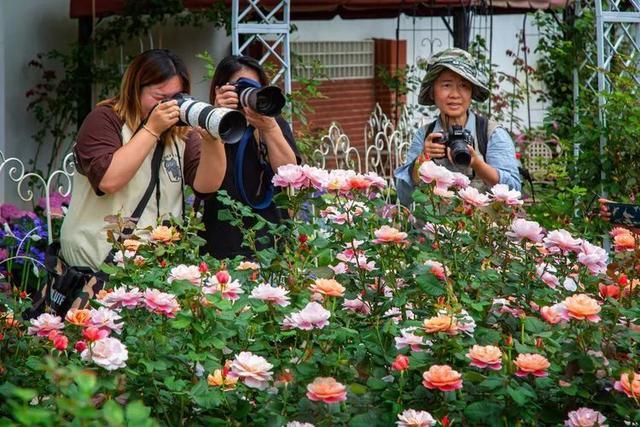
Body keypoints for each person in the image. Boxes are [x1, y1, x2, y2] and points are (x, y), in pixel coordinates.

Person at [60, 49, 226, 271]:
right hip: (97, 266)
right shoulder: (104, 120)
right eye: (159, 98)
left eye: (176, 97)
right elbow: (108, 180)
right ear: (134, 89)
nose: (169, 106)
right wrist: (151, 129)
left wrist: (212, 142)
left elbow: (206, 185)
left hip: (155, 268)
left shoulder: (181, 133)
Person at [199, 55, 301, 259]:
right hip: (223, 242)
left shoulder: (273, 124)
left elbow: (291, 176)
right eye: (239, 87)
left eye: (254, 87)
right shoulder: (208, 124)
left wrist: (269, 128)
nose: (247, 93)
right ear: (219, 90)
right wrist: (218, 117)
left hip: (270, 240)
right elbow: (203, 181)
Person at [395, 48, 521, 206]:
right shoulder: (425, 135)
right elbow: (404, 197)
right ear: (432, 92)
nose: (455, 94)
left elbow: (515, 190)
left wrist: (477, 164)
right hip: (431, 230)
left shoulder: (490, 134)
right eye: (446, 85)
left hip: (483, 229)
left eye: (463, 86)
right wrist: (422, 159)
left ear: (471, 93)